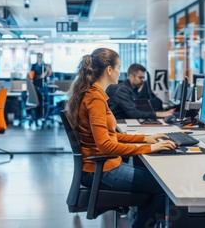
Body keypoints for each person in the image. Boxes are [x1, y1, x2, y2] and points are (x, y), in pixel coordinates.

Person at [67, 48, 176, 228]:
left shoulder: (94, 94)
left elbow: (110, 135)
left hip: (100, 167)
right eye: (118, 67)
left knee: (156, 179)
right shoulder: (95, 99)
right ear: (109, 70)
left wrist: (145, 139)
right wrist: (149, 148)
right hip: (102, 170)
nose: (120, 72)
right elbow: (106, 146)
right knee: (163, 187)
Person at [106, 63, 174, 120]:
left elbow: (139, 108)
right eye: (140, 77)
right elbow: (133, 113)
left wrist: (160, 112)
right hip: (119, 124)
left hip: (126, 121)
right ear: (131, 76)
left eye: (144, 77)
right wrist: (158, 114)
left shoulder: (132, 90)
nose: (143, 80)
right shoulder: (122, 90)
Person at [29, 53, 52, 123]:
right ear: (37, 58)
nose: (40, 58)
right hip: (36, 86)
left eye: (41, 57)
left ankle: (44, 116)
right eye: (39, 57)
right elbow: (36, 76)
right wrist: (45, 72)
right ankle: (36, 117)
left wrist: (48, 70)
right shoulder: (33, 66)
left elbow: (50, 74)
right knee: (37, 102)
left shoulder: (45, 66)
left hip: (43, 86)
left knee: (45, 102)